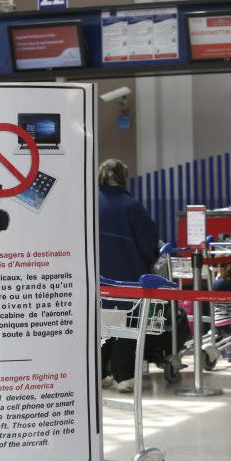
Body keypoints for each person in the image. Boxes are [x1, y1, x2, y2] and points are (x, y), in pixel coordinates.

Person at [98, 158, 159, 393]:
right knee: (125, 324)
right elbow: (148, 242)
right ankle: (122, 376)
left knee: (101, 324)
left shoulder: (89, 202)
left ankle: (100, 372)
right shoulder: (131, 205)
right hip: (127, 275)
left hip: (97, 278)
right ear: (122, 176)